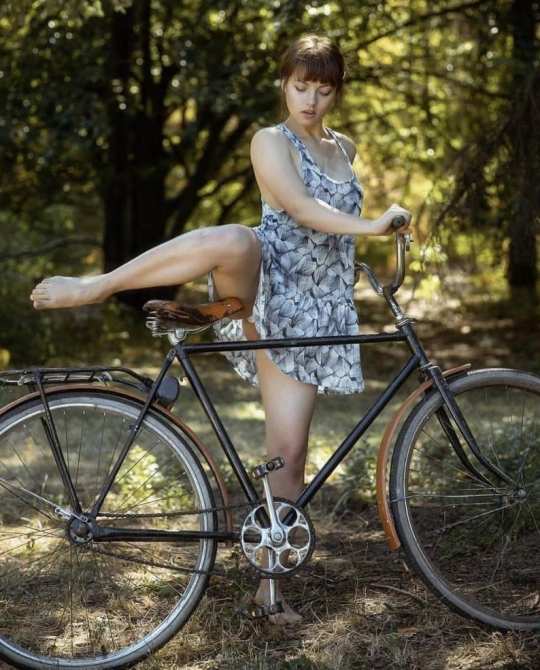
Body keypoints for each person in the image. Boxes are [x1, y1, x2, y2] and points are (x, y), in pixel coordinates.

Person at [30, 33, 411, 624]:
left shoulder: (345, 147)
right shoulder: (270, 141)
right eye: (300, 86)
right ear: (284, 84)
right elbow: (300, 210)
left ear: (337, 92)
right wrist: (374, 225)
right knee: (236, 238)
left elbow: (330, 237)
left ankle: (269, 591)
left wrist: (373, 248)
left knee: (288, 455)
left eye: (323, 89)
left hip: (318, 311)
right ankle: (97, 285)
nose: (310, 100)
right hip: (267, 289)